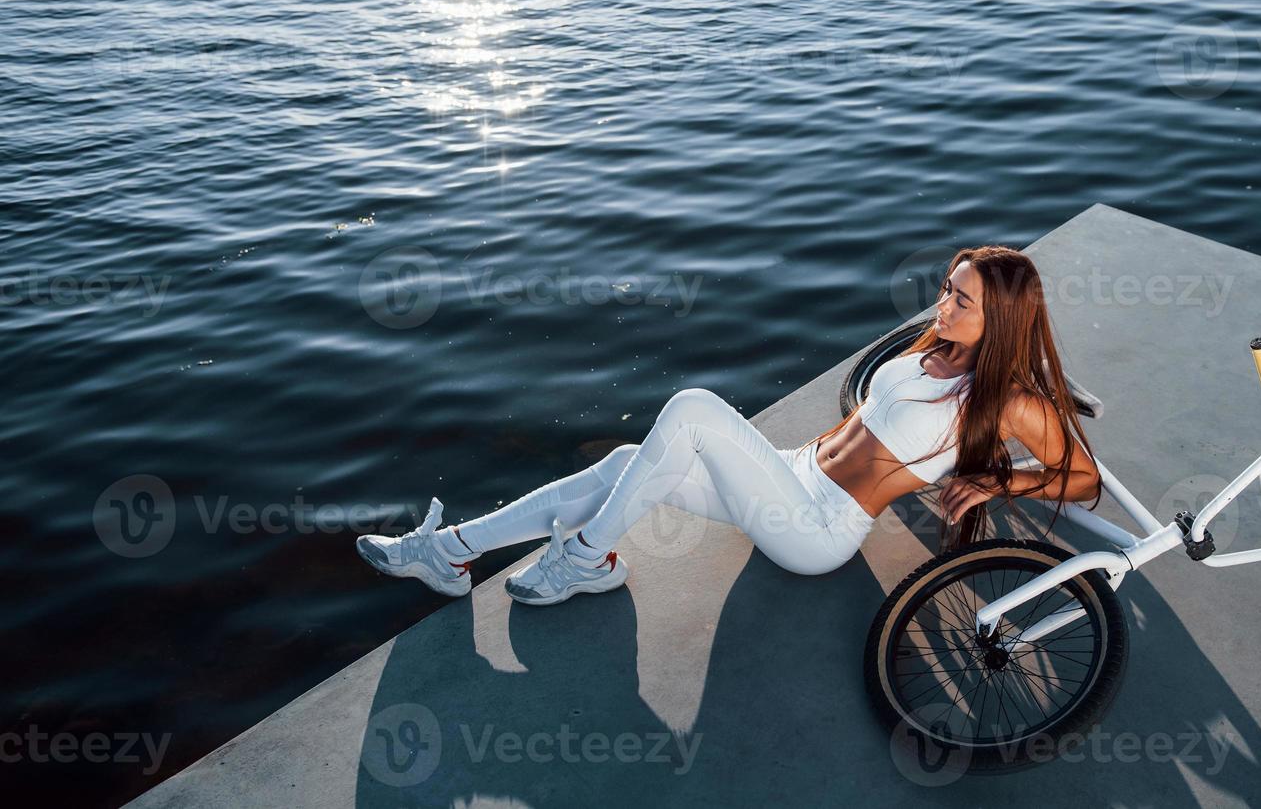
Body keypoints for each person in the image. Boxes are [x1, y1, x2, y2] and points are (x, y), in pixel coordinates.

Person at [355, 246, 1103, 605]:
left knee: (693, 408)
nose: (942, 306)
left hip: (818, 528)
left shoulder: (1009, 399)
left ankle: (584, 555)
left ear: (999, 318)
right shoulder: (936, 345)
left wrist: (999, 478)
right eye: (946, 288)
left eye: (961, 301)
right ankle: (451, 553)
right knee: (623, 461)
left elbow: (1084, 477)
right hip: (788, 473)